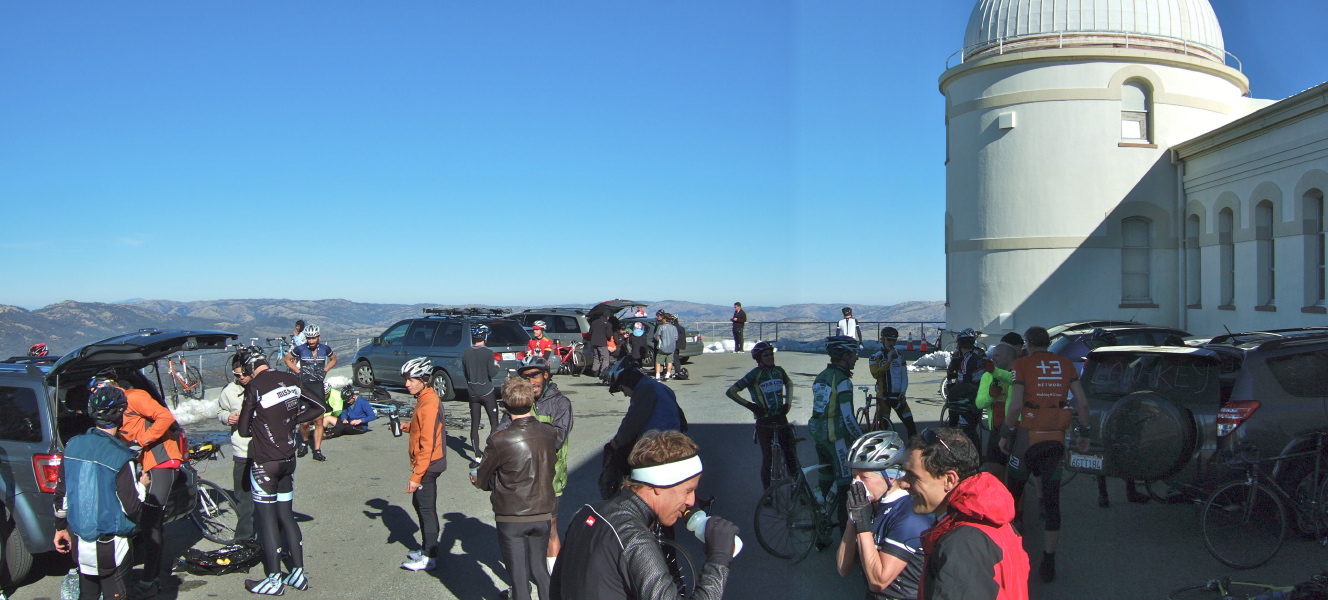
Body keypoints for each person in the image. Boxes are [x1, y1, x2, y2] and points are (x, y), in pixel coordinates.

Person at [551, 430, 737, 600]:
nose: (691, 501)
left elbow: (556, 588)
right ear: (659, 485)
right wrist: (718, 559)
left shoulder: (586, 512)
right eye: (688, 490)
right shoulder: (633, 536)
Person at [998, 326, 1091, 583]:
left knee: (1013, 494)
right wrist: (1085, 432)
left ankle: (1009, 552)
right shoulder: (1064, 364)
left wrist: (1005, 432)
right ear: (1048, 343)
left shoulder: (1022, 363)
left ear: (1027, 343)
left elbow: (1016, 403)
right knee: (1052, 501)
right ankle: (1048, 559)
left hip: (1028, 434)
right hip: (1055, 436)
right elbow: (1081, 401)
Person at [234, 346, 327, 595]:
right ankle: (298, 574)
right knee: (286, 516)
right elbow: (319, 406)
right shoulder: (290, 378)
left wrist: (260, 421)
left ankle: (274, 579)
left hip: (266, 461)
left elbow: (243, 430)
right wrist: (293, 420)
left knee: (266, 520)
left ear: (250, 367)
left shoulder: (255, 386)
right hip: (288, 460)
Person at [900, 427, 1029, 600]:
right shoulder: (991, 519)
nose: (903, 483)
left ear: (949, 479)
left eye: (912, 476)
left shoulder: (962, 544)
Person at [90, 370, 182, 598]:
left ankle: (150, 581)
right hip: (144, 463)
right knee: (148, 523)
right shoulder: (114, 408)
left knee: (151, 522)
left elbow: (165, 417)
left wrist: (143, 440)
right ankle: (152, 575)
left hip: (162, 459)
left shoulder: (135, 397)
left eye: (96, 390)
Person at [52, 386, 146, 600]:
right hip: (112, 544)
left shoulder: (73, 445)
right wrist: (143, 485)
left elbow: (62, 494)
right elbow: (131, 507)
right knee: (117, 593)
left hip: (80, 540)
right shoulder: (121, 455)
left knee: (88, 593)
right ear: (120, 415)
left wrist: (60, 528)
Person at [473, 377, 559, 600]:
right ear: (531, 402)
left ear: (505, 405)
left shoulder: (500, 439)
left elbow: (483, 479)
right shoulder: (549, 432)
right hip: (542, 510)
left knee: (519, 578)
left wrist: (481, 481)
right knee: (540, 570)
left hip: (512, 514)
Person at [497, 356, 574, 574]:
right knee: (521, 531)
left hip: (550, 479)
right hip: (519, 479)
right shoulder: (519, 401)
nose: (531, 381)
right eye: (526, 376)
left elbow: (557, 439)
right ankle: (521, 580)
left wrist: (524, 429)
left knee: (550, 529)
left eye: (535, 375)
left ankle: (553, 579)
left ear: (546, 375)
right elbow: (498, 435)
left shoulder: (561, 404)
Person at [836, 431, 932, 600]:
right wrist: (853, 519)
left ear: (891, 476)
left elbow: (878, 581)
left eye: (864, 477)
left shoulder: (910, 514)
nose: (855, 484)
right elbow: (843, 567)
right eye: (853, 477)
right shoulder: (869, 504)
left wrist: (863, 524)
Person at [1080, 328, 1148, 507]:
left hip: (1103, 406)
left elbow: (1084, 384)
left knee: (1107, 448)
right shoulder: (1122, 360)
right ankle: (1124, 492)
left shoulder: (1095, 361)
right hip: (1117, 406)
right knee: (1121, 448)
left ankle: (1106, 494)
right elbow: (1133, 384)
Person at [599, 357, 685, 499]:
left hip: (657, 447)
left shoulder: (645, 390)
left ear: (627, 381)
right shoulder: (661, 387)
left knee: (622, 464)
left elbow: (632, 423)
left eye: (621, 388)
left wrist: (616, 442)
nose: (625, 394)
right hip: (674, 445)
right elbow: (682, 422)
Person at [398, 357, 448, 571]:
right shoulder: (424, 398)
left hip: (428, 464)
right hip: (428, 463)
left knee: (426, 509)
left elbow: (427, 443)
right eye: (406, 379)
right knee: (420, 506)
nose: (407, 384)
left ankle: (430, 556)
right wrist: (407, 426)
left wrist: (416, 476)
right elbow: (425, 428)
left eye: (410, 379)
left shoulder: (429, 403)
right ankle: (427, 547)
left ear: (423, 379)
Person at [725, 341, 797, 490]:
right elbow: (731, 391)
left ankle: (799, 490)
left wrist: (787, 404)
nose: (770, 357)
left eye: (771, 354)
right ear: (759, 358)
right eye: (766, 355)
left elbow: (789, 384)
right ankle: (768, 493)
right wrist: (751, 406)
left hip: (780, 417)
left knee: (791, 456)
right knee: (768, 458)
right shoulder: (755, 374)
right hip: (764, 421)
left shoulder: (779, 371)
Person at [811, 335, 865, 526]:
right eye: (854, 354)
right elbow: (848, 417)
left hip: (819, 437)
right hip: (837, 440)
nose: (857, 358)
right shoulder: (843, 380)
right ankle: (845, 544)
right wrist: (862, 439)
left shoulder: (821, 377)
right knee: (844, 491)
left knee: (825, 485)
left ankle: (820, 530)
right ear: (845, 355)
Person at [218, 357, 256, 543]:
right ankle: (244, 539)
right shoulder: (229, 391)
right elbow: (220, 411)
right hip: (241, 451)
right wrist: (227, 417)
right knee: (243, 497)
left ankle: (271, 536)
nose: (241, 378)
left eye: (244, 374)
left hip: (262, 450)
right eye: (237, 375)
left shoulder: (263, 386)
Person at [285, 325, 337, 461]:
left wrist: (325, 370)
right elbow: (287, 359)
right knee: (304, 421)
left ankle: (318, 449)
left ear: (318, 337)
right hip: (305, 387)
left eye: (313, 338)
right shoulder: (300, 349)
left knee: (319, 420)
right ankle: (304, 441)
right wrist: (298, 372)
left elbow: (334, 359)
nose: (311, 341)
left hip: (318, 387)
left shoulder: (325, 349)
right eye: (309, 338)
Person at [974, 343, 1016, 478]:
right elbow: (979, 403)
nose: (993, 359)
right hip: (996, 431)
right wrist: (991, 396)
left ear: (1008, 358)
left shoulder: (1018, 374)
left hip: (1017, 431)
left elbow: (1012, 381)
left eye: (997, 355)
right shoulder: (988, 375)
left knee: (1016, 480)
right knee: (995, 477)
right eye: (992, 356)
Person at [462, 324, 501, 465]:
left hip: (473, 392)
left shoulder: (466, 352)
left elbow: (465, 373)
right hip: (487, 391)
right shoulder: (488, 353)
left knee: (475, 424)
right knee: (494, 423)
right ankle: (492, 450)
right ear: (484, 337)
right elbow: (492, 373)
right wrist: (497, 366)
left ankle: (477, 454)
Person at [868, 327, 917, 438]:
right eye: (889, 340)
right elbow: (875, 374)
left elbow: (904, 377)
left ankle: (913, 451)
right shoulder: (875, 357)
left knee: (911, 426)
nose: (891, 343)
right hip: (883, 396)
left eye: (894, 340)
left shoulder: (900, 357)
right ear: (882, 339)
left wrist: (903, 392)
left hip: (897, 396)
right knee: (884, 428)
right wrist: (889, 361)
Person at [944, 328, 986, 448]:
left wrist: (951, 388)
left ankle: (954, 450)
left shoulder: (968, 356)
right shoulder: (978, 353)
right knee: (970, 429)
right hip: (975, 393)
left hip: (966, 394)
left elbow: (951, 373)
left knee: (964, 428)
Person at [652, 311, 679, 381]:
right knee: (669, 362)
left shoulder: (661, 327)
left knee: (658, 362)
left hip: (662, 347)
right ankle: (667, 375)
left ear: (664, 319)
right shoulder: (674, 328)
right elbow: (676, 337)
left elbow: (656, 336)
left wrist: (659, 340)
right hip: (671, 347)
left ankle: (657, 376)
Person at [589, 311, 613, 377]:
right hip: (602, 343)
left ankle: (594, 371)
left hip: (594, 342)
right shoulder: (608, 324)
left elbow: (590, 332)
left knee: (596, 357)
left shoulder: (594, 322)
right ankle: (603, 372)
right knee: (605, 358)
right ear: (608, 317)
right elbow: (609, 334)